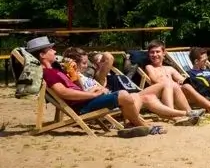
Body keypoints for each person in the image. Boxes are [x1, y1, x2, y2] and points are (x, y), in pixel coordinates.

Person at [28, 37, 156, 137]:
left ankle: (137, 126)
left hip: (86, 100)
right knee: (123, 95)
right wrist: (93, 94)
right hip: (82, 107)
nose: (54, 51)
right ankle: (143, 127)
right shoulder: (48, 73)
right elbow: (64, 93)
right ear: (42, 55)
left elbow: (73, 88)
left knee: (127, 95)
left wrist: (92, 89)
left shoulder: (56, 70)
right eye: (50, 49)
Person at [63, 47, 201, 125]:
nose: (87, 66)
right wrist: (100, 58)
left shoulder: (87, 76)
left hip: (133, 95)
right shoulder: (99, 76)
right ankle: (182, 115)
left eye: (89, 63)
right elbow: (109, 58)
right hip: (125, 99)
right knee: (163, 85)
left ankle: (185, 114)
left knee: (165, 87)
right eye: (84, 63)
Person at [144, 41, 210, 120]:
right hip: (162, 91)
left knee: (186, 85)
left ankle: (191, 113)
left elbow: (182, 79)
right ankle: (176, 115)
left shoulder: (170, 68)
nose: (155, 55)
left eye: (157, 52)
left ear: (164, 53)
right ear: (149, 55)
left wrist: (181, 82)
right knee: (172, 85)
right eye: (152, 52)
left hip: (175, 91)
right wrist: (172, 83)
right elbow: (154, 79)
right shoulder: (149, 67)